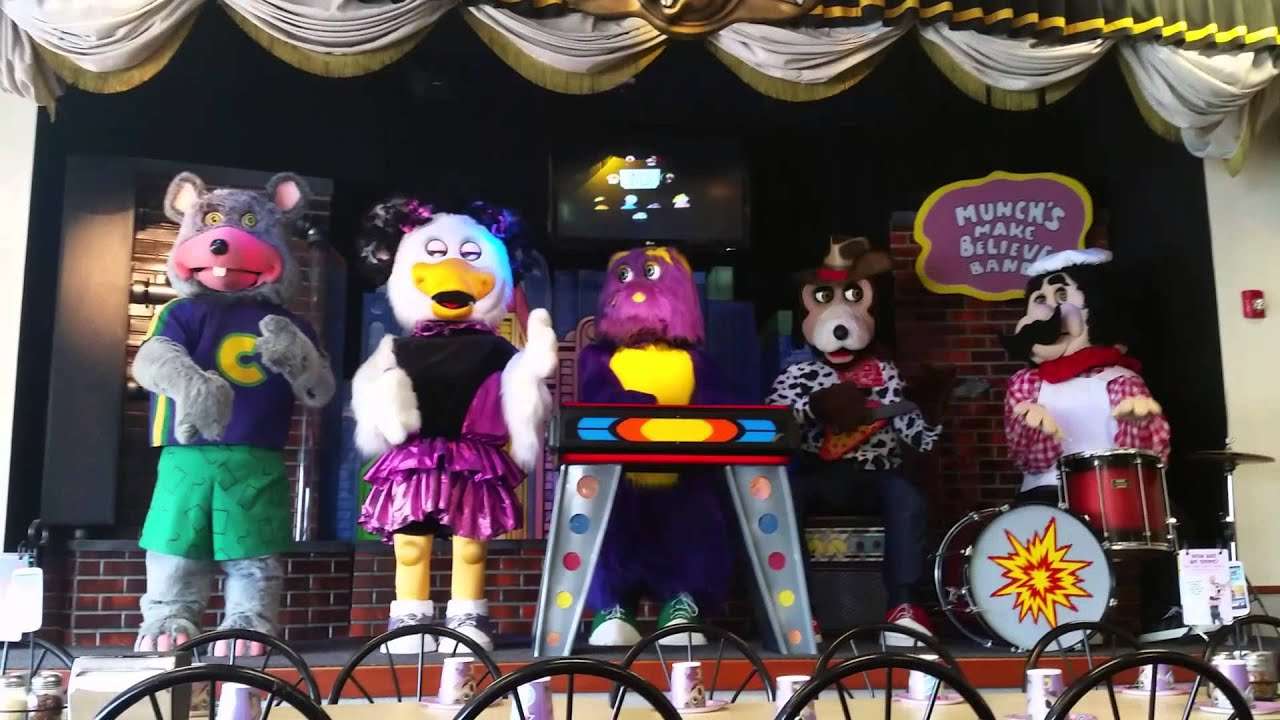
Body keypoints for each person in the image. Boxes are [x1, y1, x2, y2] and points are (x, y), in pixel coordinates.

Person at [767, 236, 940, 644]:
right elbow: (773, 428)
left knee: (907, 499)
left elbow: (919, 440)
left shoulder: (886, 372)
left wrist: (931, 413)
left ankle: (903, 606)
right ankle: (798, 609)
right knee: (780, 501)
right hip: (817, 473)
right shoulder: (795, 374)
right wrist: (814, 409)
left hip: (874, 474)